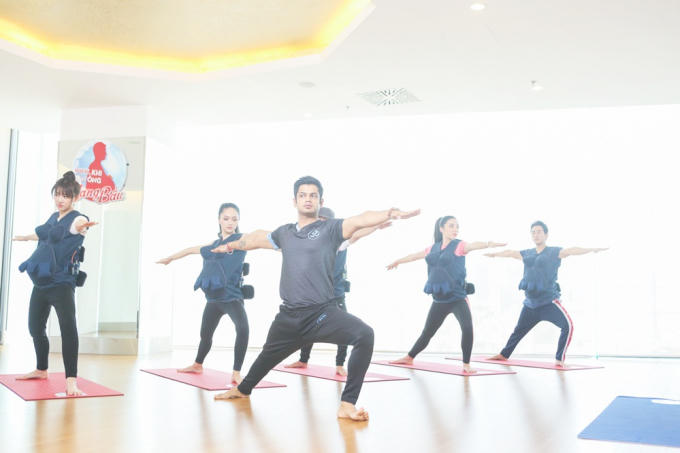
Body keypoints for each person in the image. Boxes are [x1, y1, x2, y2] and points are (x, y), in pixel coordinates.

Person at [211, 176, 419, 421]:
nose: (308, 199)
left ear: (321, 201)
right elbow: (255, 238)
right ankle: (243, 389)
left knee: (364, 335)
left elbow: (360, 220)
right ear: (294, 200)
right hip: (288, 317)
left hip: (322, 314)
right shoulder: (285, 233)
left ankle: (347, 404)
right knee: (267, 356)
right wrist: (231, 246)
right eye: (303, 195)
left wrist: (390, 213)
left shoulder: (330, 230)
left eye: (313, 195)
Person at [386, 215, 505, 373]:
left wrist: (489, 244)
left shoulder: (459, 246)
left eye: (457, 226)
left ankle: (466, 364)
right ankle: (409, 357)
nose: (455, 229)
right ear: (441, 228)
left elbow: (473, 245)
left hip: (458, 299)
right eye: (451, 226)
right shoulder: (432, 248)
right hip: (439, 301)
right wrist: (398, 261)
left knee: (467, 328)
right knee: (427, 332)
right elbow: (414, 256)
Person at [13, 171, 97, 396]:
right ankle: (42, 369)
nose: (60, 199)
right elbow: (44, 236)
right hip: (42, 282)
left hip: (62, 284)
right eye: (57, 194)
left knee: (68, 329)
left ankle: (71, 381)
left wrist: (83, 225)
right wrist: (24, 237)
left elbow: (79, 226)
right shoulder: (53, 217)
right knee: (34, 327)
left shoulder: (77, 218)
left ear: (75, 198)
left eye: (66, 196)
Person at [284, 206, 391, 376]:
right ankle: (303, 360)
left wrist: (377, 226)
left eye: (324, 220)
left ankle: (340, 364)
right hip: (315, 296)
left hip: (335, 296)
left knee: (346, 329)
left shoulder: (338, 241)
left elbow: (357, 233)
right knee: (309, 327)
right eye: (319, 220)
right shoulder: (311, 242)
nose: (321, 223)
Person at [485, 220, 608, 366]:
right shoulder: (527, 253)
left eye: (539, 232)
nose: (536, 235)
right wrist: (494, 254)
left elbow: (572, 250)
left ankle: (559, 359)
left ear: (546, 235)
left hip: (548, 303)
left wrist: (592, 249)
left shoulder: (554, 252)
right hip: (530, 304)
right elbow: (510, 253)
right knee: (518, 331)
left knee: (568, 326)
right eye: (533, 232)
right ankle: (503, 355)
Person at [157, 203, 249, 384]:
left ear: (238, 221)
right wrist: (170, 258)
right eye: (226, 218)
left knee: (243, 329)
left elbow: (259, 239)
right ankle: (198, 364)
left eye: (234, 219)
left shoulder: (241, 241)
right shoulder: (213, 245)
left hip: (232, 298)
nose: (230, 222)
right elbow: (191, 250)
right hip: (213, 299)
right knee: (205, 335)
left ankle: (236, 372)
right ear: (219, 220)